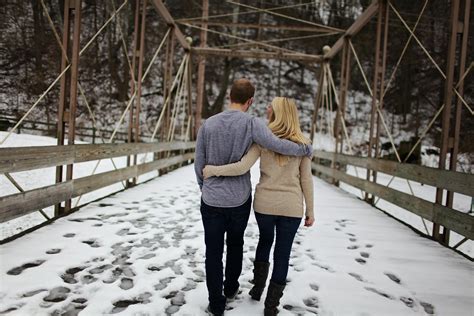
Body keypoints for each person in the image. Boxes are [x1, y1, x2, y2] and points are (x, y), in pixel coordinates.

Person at [194, 79, 313, 316]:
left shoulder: (208, 124)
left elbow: (199, 163)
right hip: (239, 199)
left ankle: (216, 304)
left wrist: (205, 186)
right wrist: (304, 149)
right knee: (235, 244)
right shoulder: (252, 123)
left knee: (213, 251)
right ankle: (231, 288)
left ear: (229, 96)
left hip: (212, 199)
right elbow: (277, 144)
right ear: (250, 101)